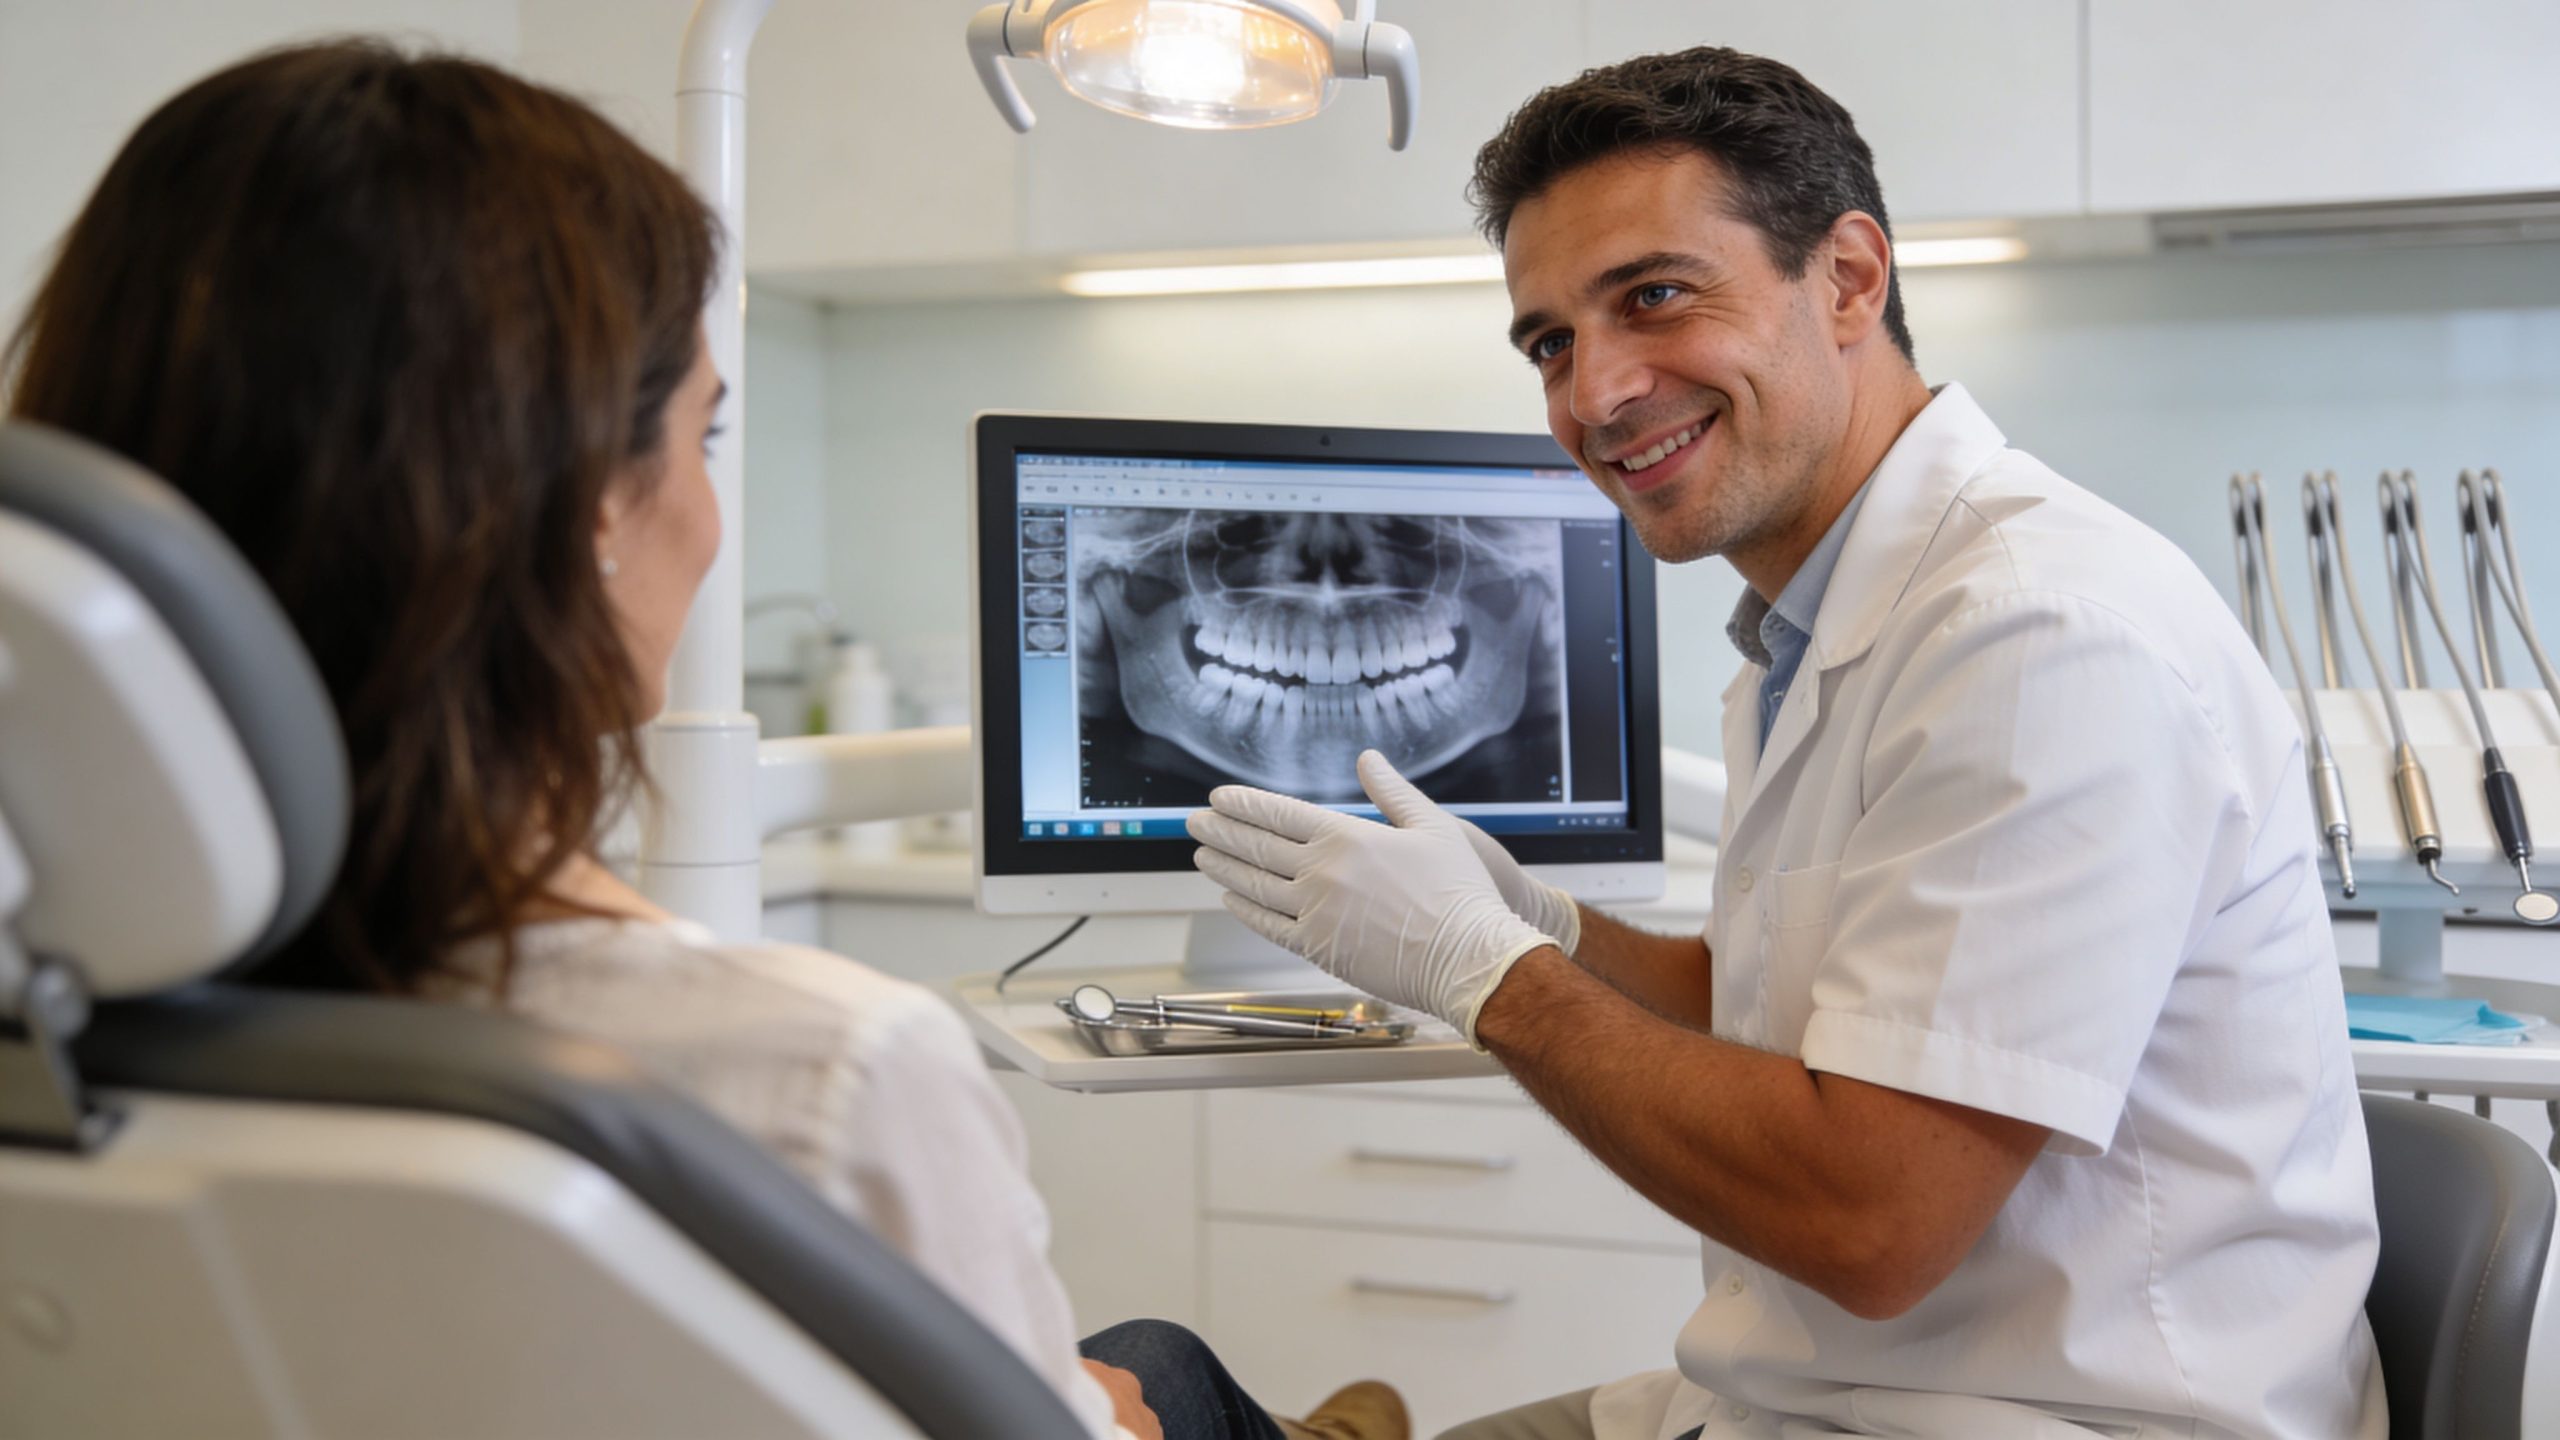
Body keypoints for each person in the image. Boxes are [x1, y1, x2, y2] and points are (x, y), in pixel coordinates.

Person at [3, 41, 1406, 1440]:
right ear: (588, 513)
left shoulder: (57, 1059)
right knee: (1158, 1377)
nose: (710, 516)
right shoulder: (830, 1072)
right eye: (702, 435)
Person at [1186, 47, 2382, 1440]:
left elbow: (1873, 1218)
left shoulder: (2042, 636)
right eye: (1551, 342)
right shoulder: (1817, 626)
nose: (1594, 394)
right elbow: (1786, 1013)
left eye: (1654, 297)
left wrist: (1489, 975)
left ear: (1850, 280)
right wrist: (1549, 925)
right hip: (1809, 1398)